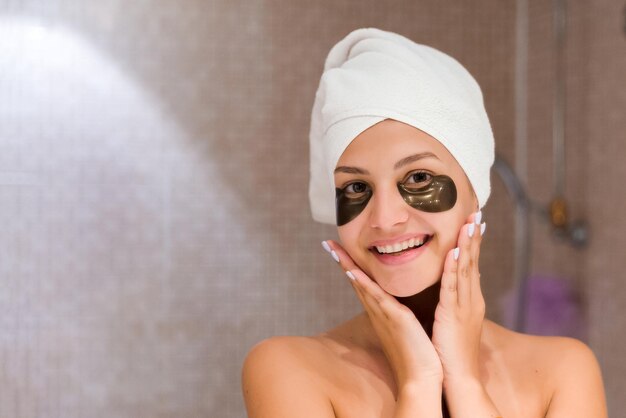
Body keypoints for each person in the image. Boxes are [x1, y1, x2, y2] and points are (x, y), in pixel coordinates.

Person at [241, 28, 607, 418]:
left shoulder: (563, 372)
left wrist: (464, 380)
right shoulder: (289, 370)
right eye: (356, 186)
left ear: (475, 190)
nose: (385, 218)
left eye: (418, 178)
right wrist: (417, 382)